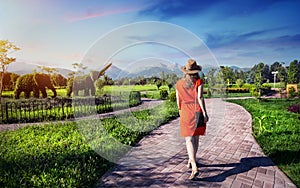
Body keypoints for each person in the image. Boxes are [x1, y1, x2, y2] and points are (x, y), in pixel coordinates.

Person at [175, 59, 209, 180]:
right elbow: (200, 97)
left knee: (188, 139)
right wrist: (205, 113)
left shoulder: (178, 84)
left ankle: (193, 165)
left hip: (185, 111)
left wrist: (180, 111)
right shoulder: (199, 81)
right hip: (197, 110)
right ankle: (192, 160)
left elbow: (178, 100)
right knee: (196, 138)